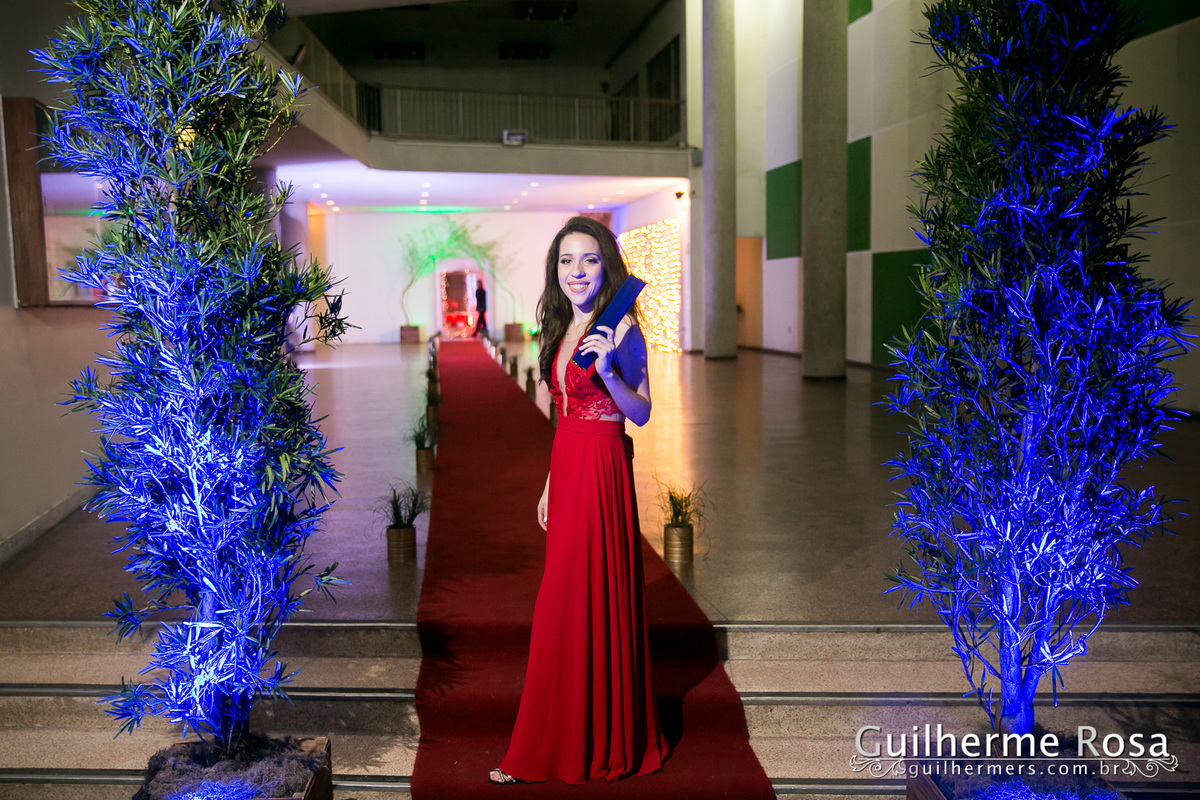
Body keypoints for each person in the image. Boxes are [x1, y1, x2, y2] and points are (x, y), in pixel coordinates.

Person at [489, 216, 669, 785]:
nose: (576, 272)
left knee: (577, 600)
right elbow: (563, 410)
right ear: (555, 270)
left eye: (589, 260)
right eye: (566, 261)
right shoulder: (559, 326)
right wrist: (549, 480)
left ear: (606, 265)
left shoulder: (623, 330)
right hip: (568, 466)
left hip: (604, 468)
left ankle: (570, 744)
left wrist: (611, 368)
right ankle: (560, 736)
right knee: (563, 602)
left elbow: (639, 412)